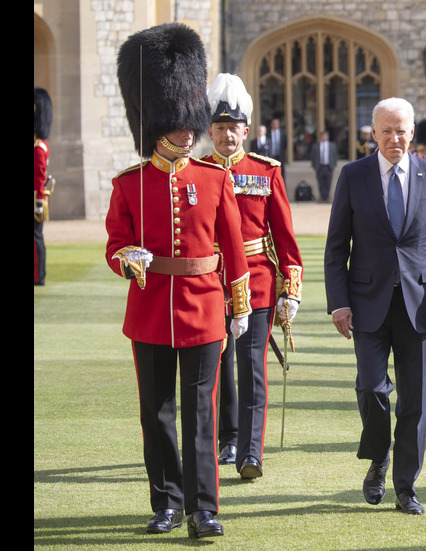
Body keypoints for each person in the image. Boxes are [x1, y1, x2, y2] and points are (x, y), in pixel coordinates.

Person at [107, 23, 252, 538]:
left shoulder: (214, 179)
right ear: (158, 122)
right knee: (157, 414)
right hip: (150, 309)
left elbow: (233, 247)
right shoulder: (129, 184)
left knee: (201, 415)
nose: (191, 132)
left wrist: (240, 304)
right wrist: (130, 257)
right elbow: (115, 243)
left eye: (193, 123)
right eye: (181, 124)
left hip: (205, 308)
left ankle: (203, 509)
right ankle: (166, 502)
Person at [324, 97, 426, 515]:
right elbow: (335, 248)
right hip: (366, 304)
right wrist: (338, 303)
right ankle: (379, 455)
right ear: (373, 132)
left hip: (419, 304)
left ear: (413, 132)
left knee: (414, 401)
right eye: (386, 130)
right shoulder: (353, 176)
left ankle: (406, 486)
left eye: (401, 130)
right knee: (370, 388)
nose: (394, 138)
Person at [204, 73, 303, 480]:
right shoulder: (195, 170)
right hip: (210, 283)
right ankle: (226, 438)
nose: (228, 135)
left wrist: (290, 290)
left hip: (258, 280)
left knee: (252, 367)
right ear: (210, 130)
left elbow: (284, 237)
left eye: (234, 128)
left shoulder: (266, 171)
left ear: (247, 130)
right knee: (216, 368)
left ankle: (250, 452)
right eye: (221, 127)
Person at [34, 88, 53, 286]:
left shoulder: (39, 147)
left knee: (36, 236)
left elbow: (39, 177)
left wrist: (38, 202)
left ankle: (38, 276)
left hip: (35, 199)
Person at [312, 130, 337, 202]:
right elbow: (313, 156)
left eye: (325, 135)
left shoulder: (332, 145)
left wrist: (334, 164)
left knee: (328, 182)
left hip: (329, 166)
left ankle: (327, 196)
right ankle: (322, 196)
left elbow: (334, 155)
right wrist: (313, 165)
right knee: (320, 182)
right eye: (322, 136)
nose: (324, 137)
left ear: (327, 137)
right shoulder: (316, 146)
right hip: (319, 167)